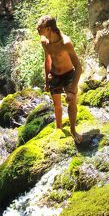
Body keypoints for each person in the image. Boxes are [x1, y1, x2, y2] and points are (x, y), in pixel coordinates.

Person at [36, 15, 83, 143]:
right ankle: (59, 128)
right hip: (54, 75)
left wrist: (72, 90)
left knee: (71, 101)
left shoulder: (66, 43)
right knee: (57, 105)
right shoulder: (44, 41)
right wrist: (46, 80)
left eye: (39, 27)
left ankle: (73, 130)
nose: (37, 29)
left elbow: (79, 67)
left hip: (68, 74)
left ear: (48, 28)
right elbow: (47, 60)